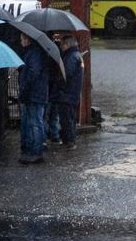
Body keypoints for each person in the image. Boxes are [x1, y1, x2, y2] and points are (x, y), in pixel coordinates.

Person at [18, 34, 50, 164]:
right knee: (34, 121)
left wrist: (25, 85)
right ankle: (34, 148)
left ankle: (37, 151)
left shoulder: (34, 53)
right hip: (36, 92)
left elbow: (33, 72)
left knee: (36, 122)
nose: (21, 42)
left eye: (22, 40)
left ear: (27, 40)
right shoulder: (35, 53)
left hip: (34, 93)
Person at [50, 35, 85, 148]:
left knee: (67, 119)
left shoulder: (70, 57)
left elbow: (66, 75)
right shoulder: (76, 55)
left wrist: (58, 84)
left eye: (61, 44)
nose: (60, 47)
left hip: (66, 93)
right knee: (69, 118)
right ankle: (69, 140)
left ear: (67, 44)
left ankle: (70, 141)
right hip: (71, 93)